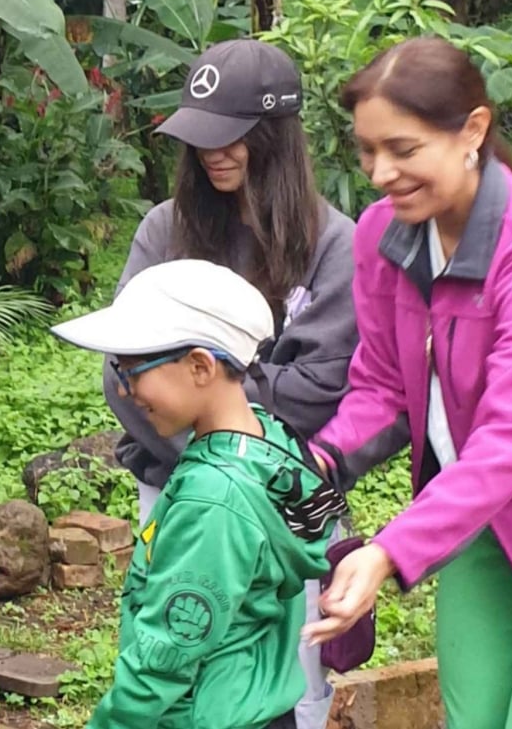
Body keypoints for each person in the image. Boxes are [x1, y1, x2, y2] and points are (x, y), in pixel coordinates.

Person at [109, 39, 356, 728]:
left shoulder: (333, 244)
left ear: (275, 136)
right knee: (174, 658)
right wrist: (218, 449)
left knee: (287, 686)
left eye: (233, 137)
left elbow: (320, 390)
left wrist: (211, 408)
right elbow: (121, 371)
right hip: (175, 489)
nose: (214, 153)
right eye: (200, 138)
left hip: (281, 509)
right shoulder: (167, 227)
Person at [303, 37, 512, 729]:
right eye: (366, 150)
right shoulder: (385, 234)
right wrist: (310, 462)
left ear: (472, 130)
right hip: (483, 524)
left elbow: (510, 439)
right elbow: (381, 386)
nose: (380, 172)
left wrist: (388, 551)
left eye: (403, 149)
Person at [54, 260, 346, 729]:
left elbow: (168, 651)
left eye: (132, 371)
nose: (125, 390)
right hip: (258, 708)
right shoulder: (264, 442)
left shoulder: (212, 500)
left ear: (199, 366)